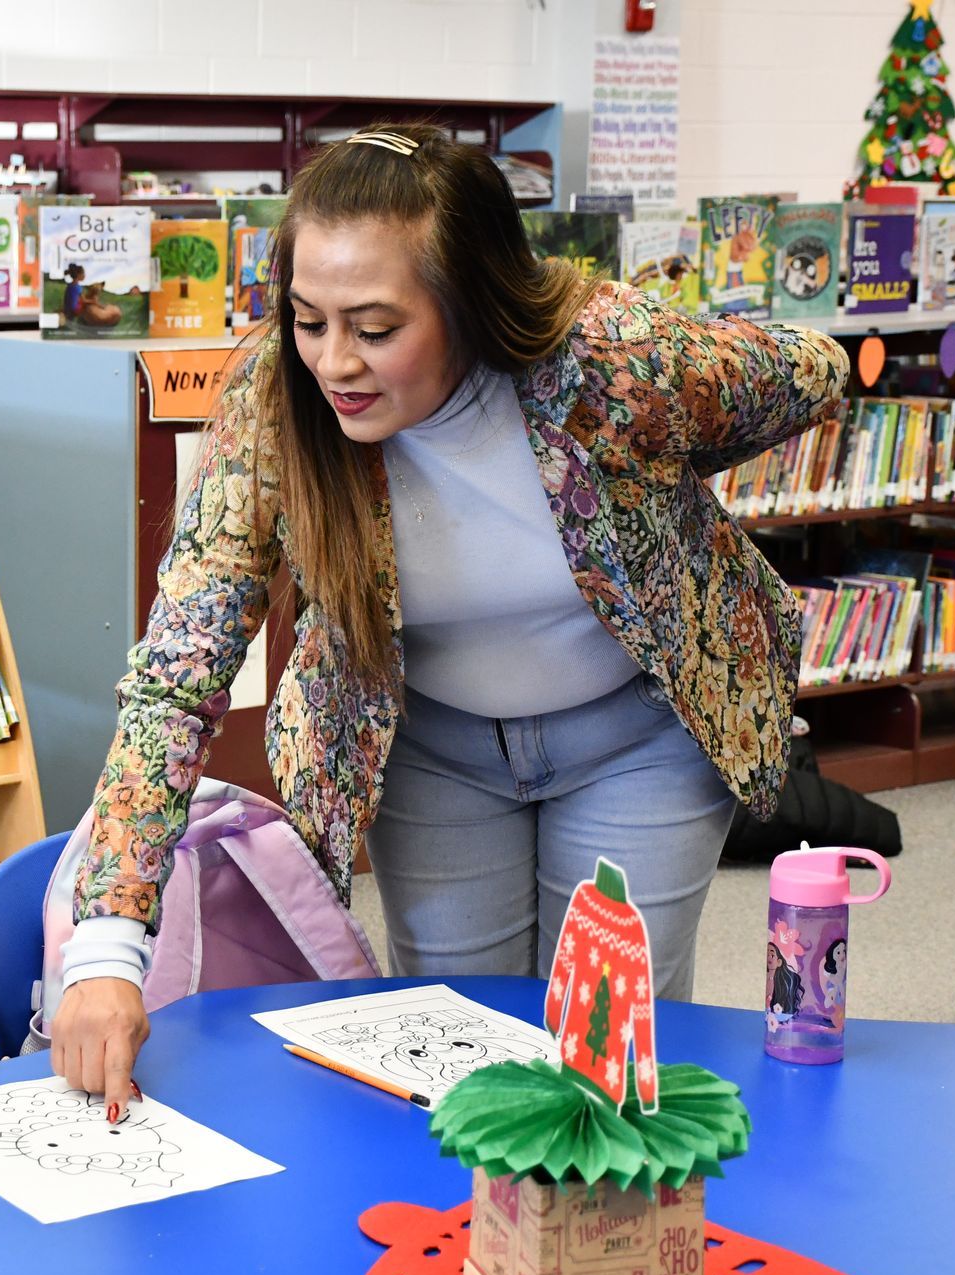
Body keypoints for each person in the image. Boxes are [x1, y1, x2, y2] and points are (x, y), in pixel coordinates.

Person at [51, 123, 849, 1112]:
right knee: (453, 1059)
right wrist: (105, 945)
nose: (333, 361)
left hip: (638, 737)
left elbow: (812, 367)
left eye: (376, 327)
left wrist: (663, 471)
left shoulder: (608, 360)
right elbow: (177, 672)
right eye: (308, 318)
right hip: (434, 748)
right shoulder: (277, 405)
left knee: (602, 1058)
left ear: (468, 302)